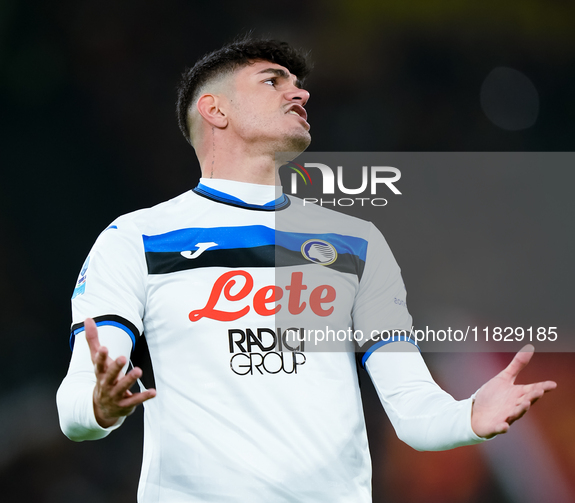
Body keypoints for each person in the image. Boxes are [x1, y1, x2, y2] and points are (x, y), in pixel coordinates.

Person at [57, 37, 556, 502]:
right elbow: (75, 403)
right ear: (215, 109)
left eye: (297, 83)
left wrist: (466, 415)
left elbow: (411, 408)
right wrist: (99, 408)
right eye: (273, 81)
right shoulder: (134, 239)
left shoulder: (357, 242)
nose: (300, 92)